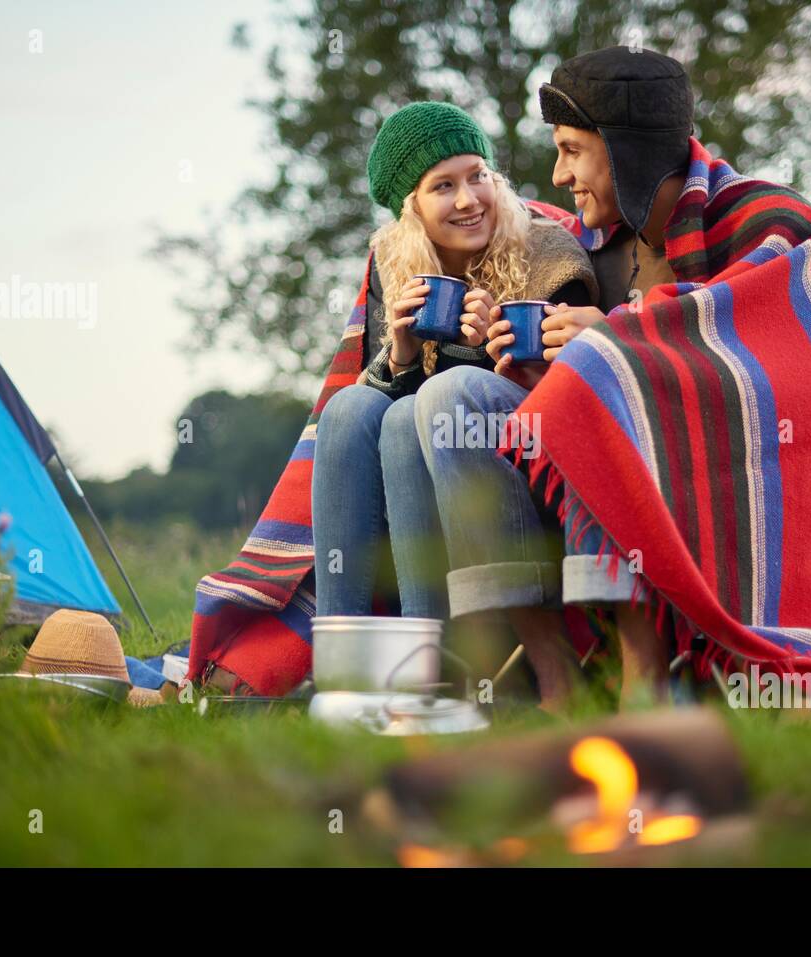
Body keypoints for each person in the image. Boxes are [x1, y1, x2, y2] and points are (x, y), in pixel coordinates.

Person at [415, 47, 811, 711]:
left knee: (599, 367)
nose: (559, 175)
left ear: (627, 150)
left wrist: (613, 338)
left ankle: (646, 665)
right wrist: (530, 352)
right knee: (453, 398)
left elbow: (797, 379)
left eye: (573, 150)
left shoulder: (771, 219)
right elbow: (570, 374)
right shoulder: (584, 243)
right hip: (608, 446)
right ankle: (552, 673)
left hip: (739, 462)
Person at [186, 102, 595, 696]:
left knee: (408, 416)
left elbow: (566, 391)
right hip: (424, 465)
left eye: (478, 175)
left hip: (521, 468)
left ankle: (427, 661)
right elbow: (382, 398)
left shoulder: (548, 251)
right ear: (411, 209)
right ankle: (346, 665)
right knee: (352, 408)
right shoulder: (394, 262)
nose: (468, 199)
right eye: (443, 187)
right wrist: (401, 350)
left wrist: (488, 348)